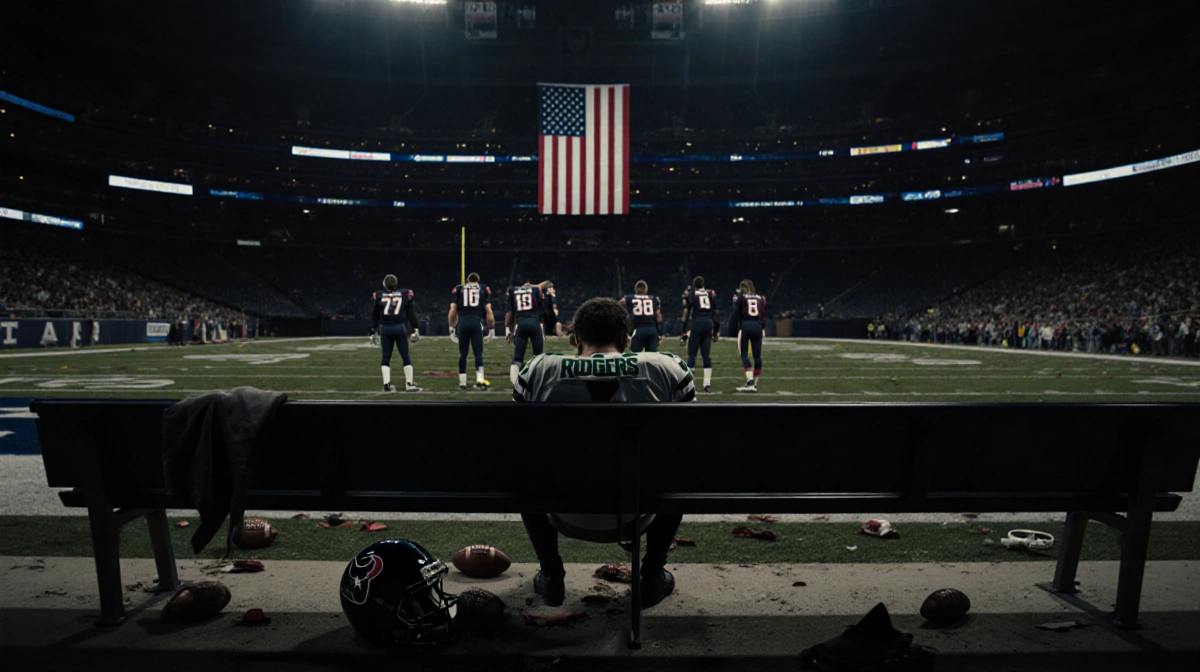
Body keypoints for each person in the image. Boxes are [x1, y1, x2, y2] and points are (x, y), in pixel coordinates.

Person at [514, 297, 694, 608]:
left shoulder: (538, 370)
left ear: (574, 338)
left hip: (561, 510)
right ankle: (651, 575)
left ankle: (552, 572)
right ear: (627, 338)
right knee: (676, 463)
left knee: (526, 463)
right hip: (638, 510)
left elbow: (517, 445)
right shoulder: (668, 369)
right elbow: (689, 446)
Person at [370, 275, 422, 393]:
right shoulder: (405, 294)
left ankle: (386, 384)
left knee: (386, 357)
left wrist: (372, 330)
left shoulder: (379, 295)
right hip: (400, 327)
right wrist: (416, 328)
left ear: (384, 285)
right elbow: (411, 313)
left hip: (385, 328)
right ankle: (409, 383)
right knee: (405, 355)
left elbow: (375, 315)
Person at [448, 272, 495, 390]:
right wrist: (492, 329)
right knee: (478, 353)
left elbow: (453, 310)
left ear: (468, 280)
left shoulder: (459, 289)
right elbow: (489, 312)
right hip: (476, 322)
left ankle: (462, 383)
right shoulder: (483, 289)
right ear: (478, 280)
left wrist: (451, 327)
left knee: (463, 354)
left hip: (463, 323)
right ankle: (479, 381)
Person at [506, 280, 553, 386]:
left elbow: (509, 312)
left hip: (520, 324)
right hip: (534, 323)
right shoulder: (535, 290)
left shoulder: (513, 290)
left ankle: (515, 383)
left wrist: (507, 329)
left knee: (517, 358)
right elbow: (543, 305)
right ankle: (539, 381)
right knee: (539, 356)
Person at [680, 275, 719, 393]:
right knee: (706, 356)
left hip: (697, 323)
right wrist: (716, 331)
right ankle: (707, 384)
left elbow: (686, 311)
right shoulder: (710, 292)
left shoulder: (692, 293)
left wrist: (683, 331)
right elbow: (716, 313)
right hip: (708, 324)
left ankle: (688, 385)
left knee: (692, 355)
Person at [728, 279, 766, 392]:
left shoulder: (740, 297)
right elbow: (763, 315)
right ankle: (754, 383)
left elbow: (735, 312)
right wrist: (763, 327)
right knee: (757, 356)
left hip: (746, 326)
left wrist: (732, 329)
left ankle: (749, 380)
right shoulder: (760, 298)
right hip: (758, 327)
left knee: (744, 354)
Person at [620, 280, 663, 353]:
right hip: (652, 330)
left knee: (635, 357)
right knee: (652, 358)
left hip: (638, 329)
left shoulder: (628, 298)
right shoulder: (654, 298)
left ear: (636, 289)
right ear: (646, 289)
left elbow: (618, 306)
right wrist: (660, 333)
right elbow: (659, 318)